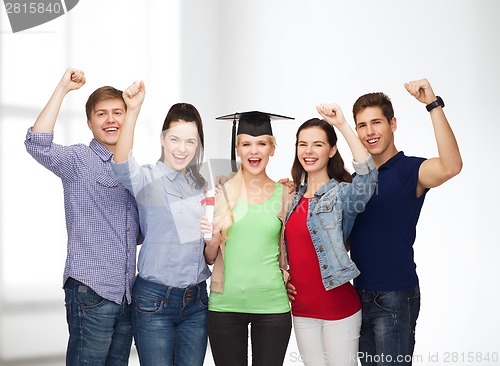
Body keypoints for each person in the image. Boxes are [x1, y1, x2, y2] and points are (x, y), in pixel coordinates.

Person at [24, 68, 141, 366]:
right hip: (92, 291)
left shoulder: (133, 170)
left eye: (118, 112)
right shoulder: (78, 159)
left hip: (126, 294)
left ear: (128, 118)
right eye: (102, 114)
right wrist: (63, 88)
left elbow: (138, 234)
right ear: (89, 123)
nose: (111, 119)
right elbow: (38, 144)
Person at [348, 79, 462, 365]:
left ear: (393, 124)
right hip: (356, 295)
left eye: (377, 123)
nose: (370, 132)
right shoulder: (355, 180)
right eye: (362, 125)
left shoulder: (410, 170)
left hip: (395, 296)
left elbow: (451, 165)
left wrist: (432, 105)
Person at [111, 81, 211, 366]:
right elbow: (120, 162)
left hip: (196, 302)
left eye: (190, 141)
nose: (182, 148)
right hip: (154, 302)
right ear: (163, 139)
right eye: (175, 139)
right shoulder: (147, 179)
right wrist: (133, 110)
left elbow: (204, 249)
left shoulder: (201, 186)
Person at [284, 105, 378, 366]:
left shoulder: (342, 194)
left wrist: (342, 125)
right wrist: (284, 277)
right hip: (301, 310)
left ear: (332, 149)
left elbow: (368, 177)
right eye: (302, 145)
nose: (308, 151)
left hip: (338, 308)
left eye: (317, 145)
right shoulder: (290, 198)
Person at [203, 111, 294, 366]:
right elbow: (210, 257)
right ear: (238, 149)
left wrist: (291, 278)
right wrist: (210, 241)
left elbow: (295, 247)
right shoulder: (221, 193)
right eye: (246, 144)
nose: (254, 151)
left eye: (262, 143)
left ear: (272, 148)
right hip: (225, 306)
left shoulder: (286, 194)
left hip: (272, 306)